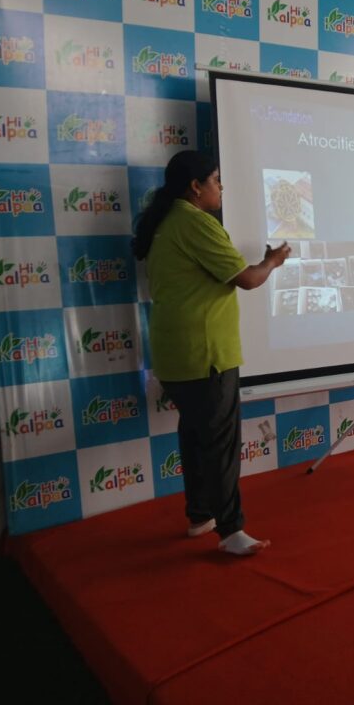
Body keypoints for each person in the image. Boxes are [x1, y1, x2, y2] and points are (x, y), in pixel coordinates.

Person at [132, 150, 290, 556]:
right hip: (206, 354)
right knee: (220, 444)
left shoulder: (166, 222)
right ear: (195, 186)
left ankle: (199, 515)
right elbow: (248, 280)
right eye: (216, 180)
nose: (221, 187)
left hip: (175, 354)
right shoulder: (196, 223)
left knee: (195, 436)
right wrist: (272, 261)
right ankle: (231, 531)